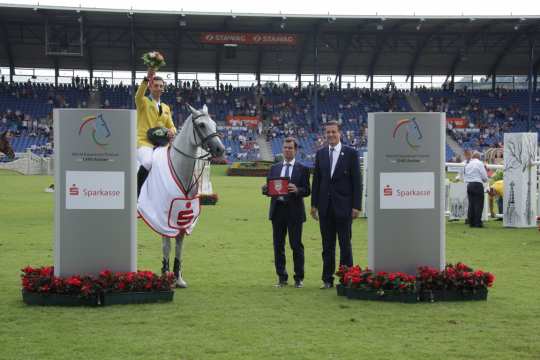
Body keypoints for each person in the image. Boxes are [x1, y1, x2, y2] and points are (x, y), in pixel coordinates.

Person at [310, 121, 361, 289]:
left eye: (333, 132)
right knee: (327, 246)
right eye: (328, 132)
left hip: (344, 207)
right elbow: (317, 181)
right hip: (325, 207)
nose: (330, 135)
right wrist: (314, 204)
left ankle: (347, 279)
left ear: (340, 133)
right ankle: (327, 279)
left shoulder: (351, 153)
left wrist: (356, 206)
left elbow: (357, 182)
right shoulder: (321, 154)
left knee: (345, 244)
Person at [263, 138, 311, 288]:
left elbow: (307, 190)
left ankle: (299, 278)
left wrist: (297, 190)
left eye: (290, 148)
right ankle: (282, 277)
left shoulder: (302, 169)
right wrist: (265, 190)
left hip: (295, 212)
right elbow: (270, 189)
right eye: (285, 148)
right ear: (282, 149)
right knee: (278, 246)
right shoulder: (275, 168)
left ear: (295, 150)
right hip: (278, 211)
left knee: (296, 245)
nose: (287, 150)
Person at [135, 69, 176, 196]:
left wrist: (171, 131)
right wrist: (147, 78)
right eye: (156, 86)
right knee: (147, 162)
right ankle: (136, 193)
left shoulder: (166, 108)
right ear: (150, 87)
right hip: (144, 142)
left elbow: (172, 126)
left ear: (163, 89)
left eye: (161, 86)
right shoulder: (143, 102)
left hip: (161, 144)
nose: (158, 88)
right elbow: (138, 95)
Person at [464, 151, 488, 228]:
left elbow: (465, 176)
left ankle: (471, 222)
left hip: (469, 185)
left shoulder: (468, 164)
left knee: (471, 204)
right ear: (479, 157)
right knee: (478, 205)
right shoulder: (480, 163)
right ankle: (478, 223)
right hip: (477, 184)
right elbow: (484, 178)